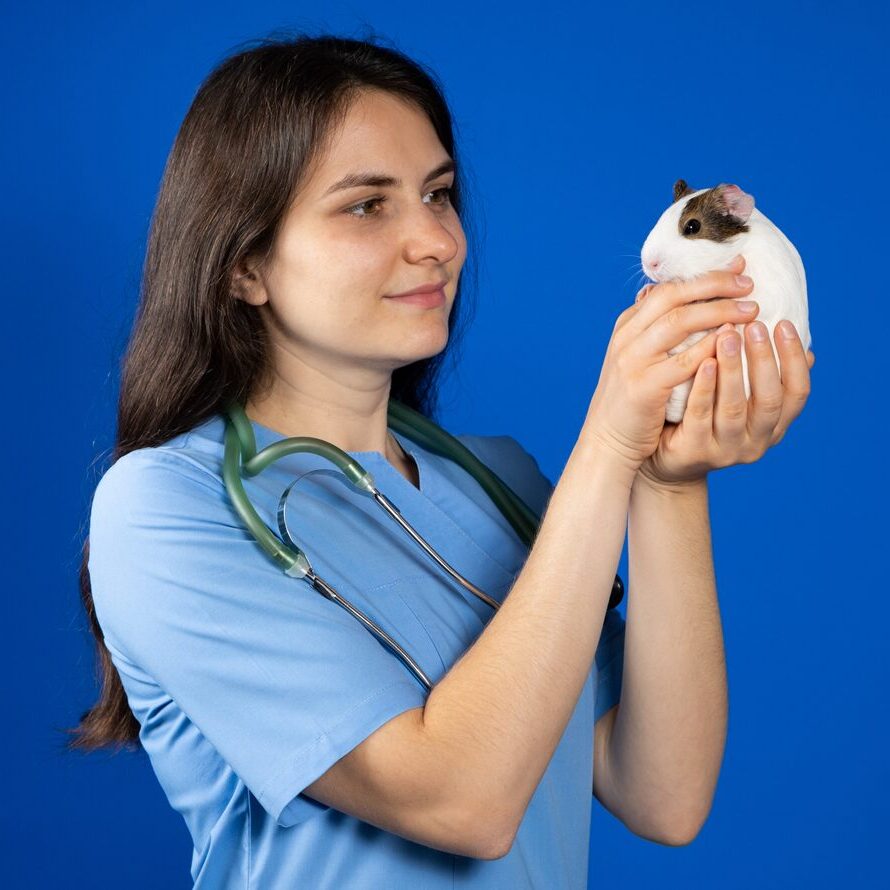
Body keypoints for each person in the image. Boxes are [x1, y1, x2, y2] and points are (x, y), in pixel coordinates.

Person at [68, 31, 815, 889]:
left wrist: (667, 479)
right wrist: (610, 446)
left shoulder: (498, 485)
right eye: (366, 205)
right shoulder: (167, 508)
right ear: (244, 265)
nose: (437, 241)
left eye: (439, 194)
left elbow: (663, 794)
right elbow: (462, 802)